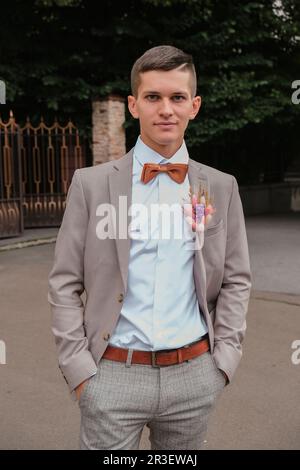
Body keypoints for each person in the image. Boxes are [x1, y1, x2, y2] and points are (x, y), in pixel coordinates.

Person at [48, 45, 252, 450]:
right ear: (132, 105)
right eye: (153, 97)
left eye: (177, 97)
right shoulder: (90, 185)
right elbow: (64, 283)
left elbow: (236, 279)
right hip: (111, 375)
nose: (166, 109)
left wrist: (223, 363)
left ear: (194, 106)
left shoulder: (221, 186)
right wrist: (80, 372)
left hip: (194, 375)